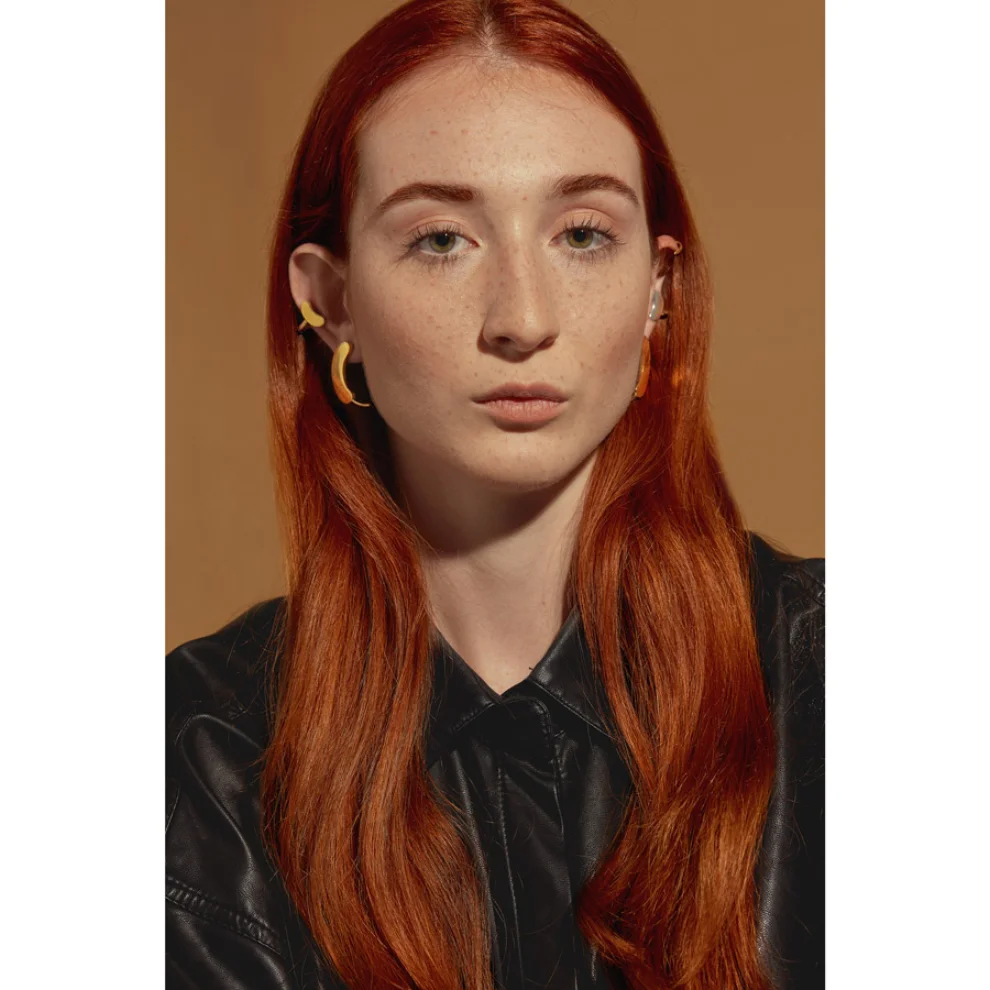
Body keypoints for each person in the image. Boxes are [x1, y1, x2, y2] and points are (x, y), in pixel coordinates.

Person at [165, 0, 824, 987]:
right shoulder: (198, 758)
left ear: (657, 289)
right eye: (441, 240)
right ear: (331, 303)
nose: (521, 318)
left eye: (583, 234)